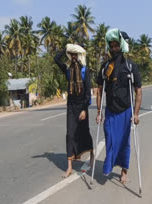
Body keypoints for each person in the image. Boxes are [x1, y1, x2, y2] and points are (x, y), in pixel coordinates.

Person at [96, 29, 142, 184]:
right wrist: (98, 111)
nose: (114, 48)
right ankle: (108, 166)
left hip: (125, 111)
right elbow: (99, 91)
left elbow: (138, 91)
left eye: (117, 46)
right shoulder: (105, 67)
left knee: (124, 142)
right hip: (110, 110)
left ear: (121, 47)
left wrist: (135, 114)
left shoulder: (130, 66)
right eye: (112, 46)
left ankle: (124, 171)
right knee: (109, 139)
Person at [54, 44, 94, 178]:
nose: (74, 57)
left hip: (82, 106)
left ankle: (92, 155)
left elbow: (88, 93)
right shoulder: (67, 70)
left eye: (76, 54)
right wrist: (65, 47)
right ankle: (69, 166)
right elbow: (56, 59)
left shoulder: (84, 70)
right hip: (71, 106)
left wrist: (84, 109)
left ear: (80, 56)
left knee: (84, 132)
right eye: (72, 54)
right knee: (70, 134)